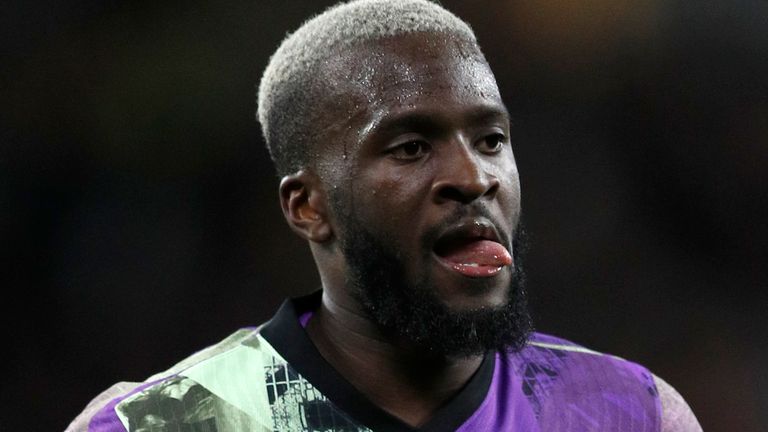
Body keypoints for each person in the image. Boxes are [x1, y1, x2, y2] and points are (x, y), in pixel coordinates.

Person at [67, 0, 702, 430]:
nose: (473, 178)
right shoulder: (174, 421)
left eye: (491, 140)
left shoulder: (626, 413)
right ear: (308, 206)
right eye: (411, 147)